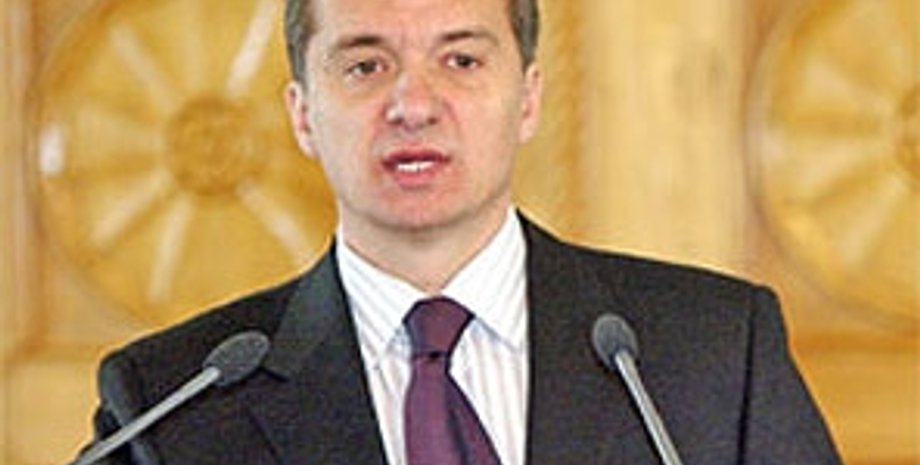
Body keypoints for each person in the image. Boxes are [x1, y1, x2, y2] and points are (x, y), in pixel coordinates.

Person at [81, 0, 842, 463]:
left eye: (462, 59)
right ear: (302, 114)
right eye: (365, 65)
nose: (414, 105)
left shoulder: (714, 355)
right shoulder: (176, 403)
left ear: (529, 98)